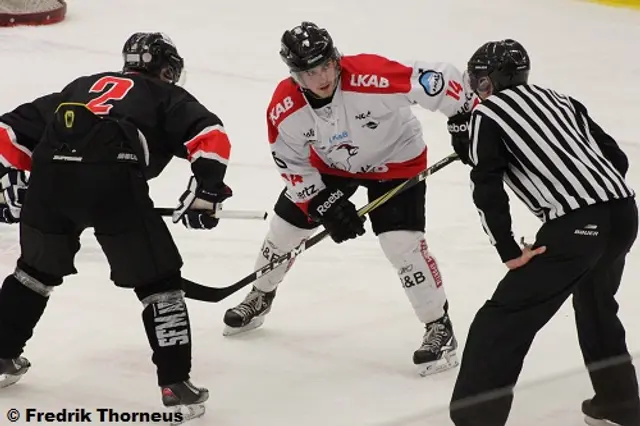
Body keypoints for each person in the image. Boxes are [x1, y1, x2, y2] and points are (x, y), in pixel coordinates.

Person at [0, 32, 233, 419]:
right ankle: (175, 384)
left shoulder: (80, 86)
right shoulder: (163, 94)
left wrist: (12, 177)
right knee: (159, 282)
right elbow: (210, 134)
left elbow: (8, 130)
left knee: (33, 272)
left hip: (49, 184)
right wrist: (208, 188)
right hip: (113, 183)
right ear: (168, 69)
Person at [222, 21, 476, 375]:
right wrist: (321, 203)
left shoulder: (370, 76)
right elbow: (289, 162)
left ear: (336, 58)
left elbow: (440, 80)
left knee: (400, 244)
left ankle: (438, 326)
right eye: (310, 72)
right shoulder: (285, 107)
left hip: (396, 160)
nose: (322, 77)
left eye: (326, 65)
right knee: (285, 229)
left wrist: (464, 119)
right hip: (329, 165)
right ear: (295, 75)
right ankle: (261, 294)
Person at [448, 39, 638, 426]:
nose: (479, 91)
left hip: (578, 226)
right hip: (624, 213)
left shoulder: (489, 113)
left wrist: (507, 248)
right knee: (596, 305)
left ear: (492, 82)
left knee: (499, 323)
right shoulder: (562, 99)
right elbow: (617, 159)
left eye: (481, 83)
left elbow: (486, 184)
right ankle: (621, 406)